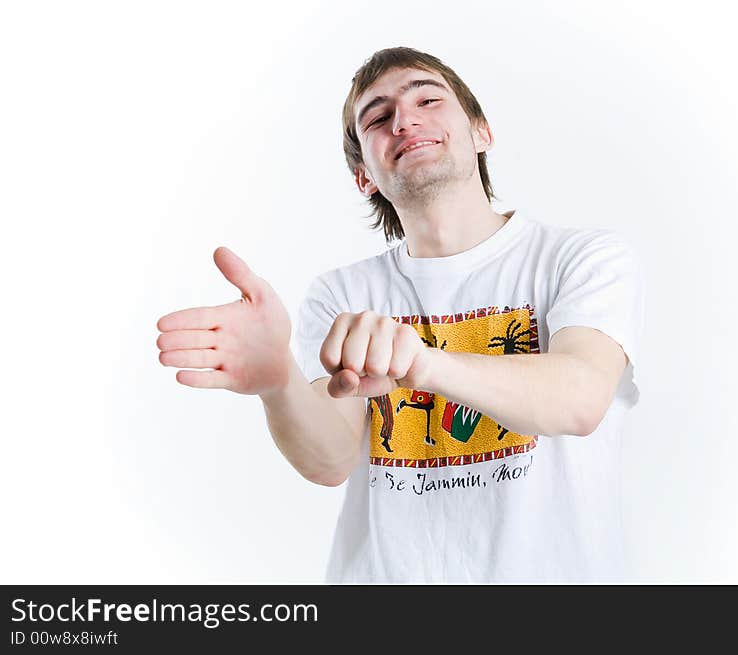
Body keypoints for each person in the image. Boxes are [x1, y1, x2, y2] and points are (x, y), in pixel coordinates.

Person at [156, 47, 645, 583]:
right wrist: (278, 380)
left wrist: (423, 363)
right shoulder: (342, 293)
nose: (405, 120)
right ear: (364, 175)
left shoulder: (580, 258)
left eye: (428, 99)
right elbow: (330, 458)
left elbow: (578, 400)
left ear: (481, 132)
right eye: (378, 117)